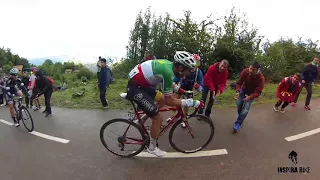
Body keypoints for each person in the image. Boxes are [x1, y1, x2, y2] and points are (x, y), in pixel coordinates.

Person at [125, 51, 204, 157]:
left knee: (161, 99)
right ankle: (152, 148)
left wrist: (180, 90)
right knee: (158, 118)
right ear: (180, 68)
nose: (187, 75)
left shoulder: (169, 66)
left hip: (141, 84)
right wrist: (192, 102)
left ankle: (141, 120)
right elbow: (169, 101)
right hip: (136, 88)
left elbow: (168, 83)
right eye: (188, 71)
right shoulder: (168, 72)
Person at [166, 53, 204, 128]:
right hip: (180, 88)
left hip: (189, 90)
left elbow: (202, 87)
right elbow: (176, 79)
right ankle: (173, 116)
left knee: (186, 105)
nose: (193, 67)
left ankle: (184, 119)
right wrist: (174, 84)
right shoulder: (185, 68)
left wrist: (198, 87)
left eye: (196, 63)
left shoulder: (198, 73)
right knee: (173, 100)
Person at [234, 62, 265, 132]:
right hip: (243, 89)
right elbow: (239, 82)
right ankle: (241, 117)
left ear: (257, 70)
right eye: (250, 68)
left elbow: (258, 92)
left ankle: (238, 123)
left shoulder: (261, 78)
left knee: (245, 109)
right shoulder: (245, 71)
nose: (250, 70)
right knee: (239, 105)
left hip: (252, 93)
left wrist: (250, 97)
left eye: (253, 69)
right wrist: (237, 91)